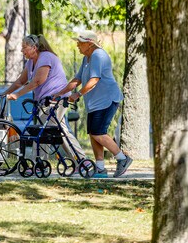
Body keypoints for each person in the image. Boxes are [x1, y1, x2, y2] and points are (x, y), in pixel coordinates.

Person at [53, 30, 132, 178]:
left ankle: (122, 158)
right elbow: (77, 80)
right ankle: (100, 168)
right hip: (95, 102)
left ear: (89, 44)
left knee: (98, 133)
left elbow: (94, 80)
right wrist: (59, 93)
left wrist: (78, 94)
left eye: (80, 42)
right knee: (93, 134)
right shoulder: (87, 58)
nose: (77, 45)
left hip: (107, 99)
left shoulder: (98, 55)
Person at [2, 34, 87, 162]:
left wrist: (17, 95)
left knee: (43, 131)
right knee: (60, 131)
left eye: (24, 47)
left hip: (55, 100)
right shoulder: (31, 62)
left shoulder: (46, 57)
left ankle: (38, 162)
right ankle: (80, 160)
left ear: (34, 47)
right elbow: (20, 81)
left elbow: (37, 81)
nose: (21, 50)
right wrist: (5, 93)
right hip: (45, 101)